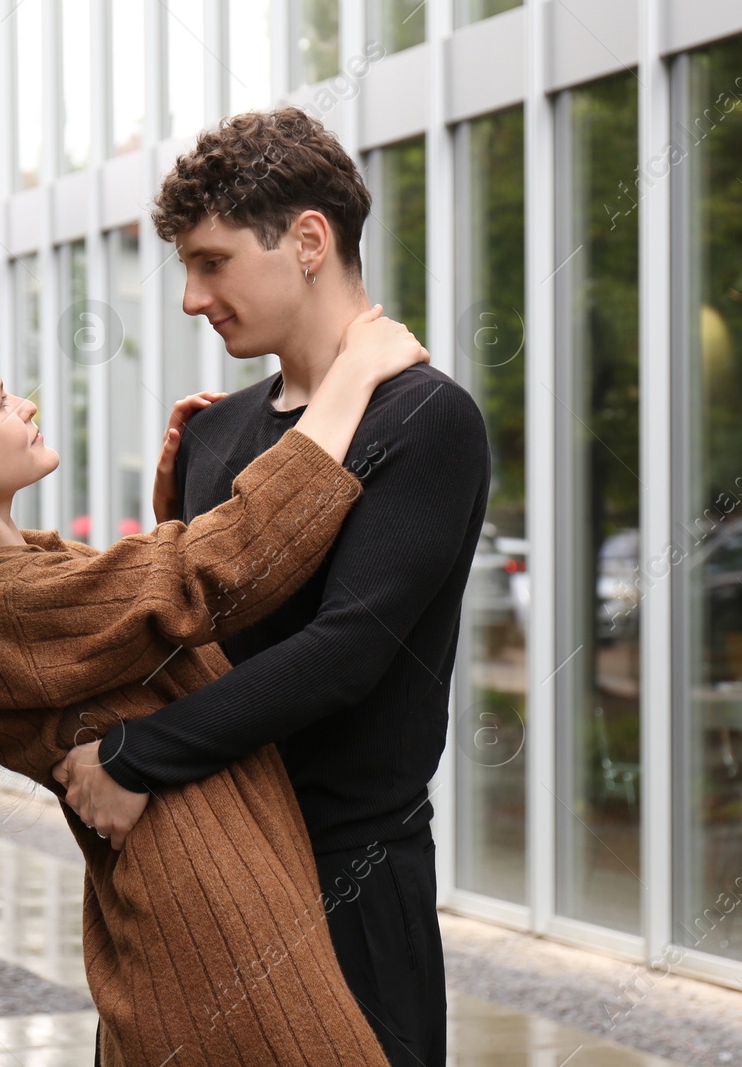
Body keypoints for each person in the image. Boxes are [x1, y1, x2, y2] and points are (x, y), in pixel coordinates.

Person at [0, 317, 427, 1066]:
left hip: (204, 914)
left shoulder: (13, 583)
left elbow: (146, 639)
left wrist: (171, 517)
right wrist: (351, 378)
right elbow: (210, 574)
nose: (26, 406)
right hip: (214, 929)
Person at [55, 107, 491, 1067]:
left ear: (306, 241)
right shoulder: (212, 431)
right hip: (199, 872)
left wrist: (135, 756)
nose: (190, 298)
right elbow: (191, 635)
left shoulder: (428, 419)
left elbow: (347, 650)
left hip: (349, 891)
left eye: (210, 262)